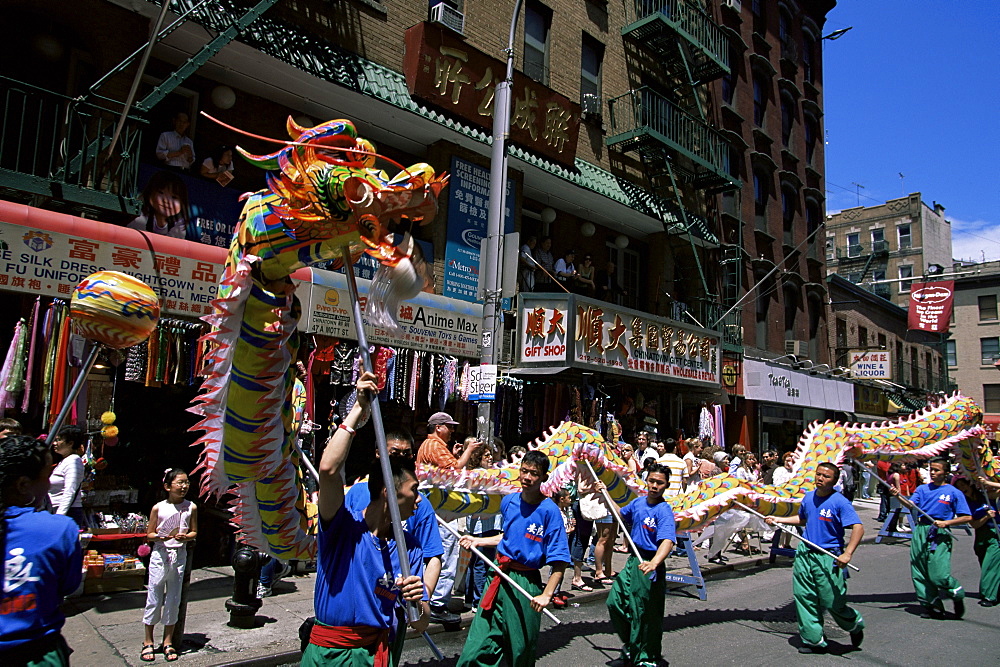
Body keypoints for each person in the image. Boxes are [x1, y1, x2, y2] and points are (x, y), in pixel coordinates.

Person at [304, 371, 429, 666]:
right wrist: (358, 409)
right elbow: (329, 470)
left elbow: (421, 623)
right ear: (388, 492)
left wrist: (418, 602)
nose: (420, 499)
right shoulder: (342, 527)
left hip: (373, 656)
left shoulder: (410, 548)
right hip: (327, 655)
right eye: (415, 490)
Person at [456, 450, 570, 667]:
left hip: (525, 582)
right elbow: (508, 536)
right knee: (478, 646)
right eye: (524, 471)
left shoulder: (549, 511)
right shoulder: (508, 502)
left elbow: (560, 560)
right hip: (497, 576)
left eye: (534, 473)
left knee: (520, 650)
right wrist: (478, 541)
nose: (527, 477)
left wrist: (547, 595)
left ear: (544, 477)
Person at [343, 430, 444, 662]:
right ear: (379, 454)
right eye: (393, 453)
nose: (400, 459)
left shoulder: (419, 505)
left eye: (406, 454)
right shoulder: (357, 494)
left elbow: (432, 556)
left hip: (391, 613)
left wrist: (420, 596)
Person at [766, 462, 864, 654]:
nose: (820, 478)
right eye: (818, 474)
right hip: (805, 552)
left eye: (826, 476)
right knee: (804, 596)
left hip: (829, 555)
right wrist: (778, 519)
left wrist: (848, 554)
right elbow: (802, 518)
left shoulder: (840, 502)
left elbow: (858, 528)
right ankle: (813, 639)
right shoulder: (809, 497)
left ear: (834, 481)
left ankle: (853, 624)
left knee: (831, 599)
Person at [0, 435, 82, 665]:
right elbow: (69, 585)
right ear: (24, 485)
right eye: (47, 476)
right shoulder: (59, 530)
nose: (48, 485)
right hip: (37, 654)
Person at [603, 464, 676, 667]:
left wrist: (654, 563)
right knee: (615, 601)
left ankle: (647, 656)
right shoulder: (638, 503)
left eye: (659, 483)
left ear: (666, 485)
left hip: (650, 562)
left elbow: (667, 540)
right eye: (651, 481)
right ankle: (631, 644)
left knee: (645, 613)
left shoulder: (664, 510)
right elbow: (620, 514)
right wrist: (605, 494)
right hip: (633, 561)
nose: (654, 486)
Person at [416, 412, 481, 623]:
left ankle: (432, 599)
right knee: (445, 553)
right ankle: (437, 602)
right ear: (438, 428)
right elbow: (454, 470)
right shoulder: (433, 446)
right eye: (449, 427)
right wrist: (469, 451)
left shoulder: (433, 447)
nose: (452, 431)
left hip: (436, 506)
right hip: (439, 508)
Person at [892, 457, 972, 619]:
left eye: (936, 470)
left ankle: (956, 592)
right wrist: (898, 496)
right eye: (931, 470)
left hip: (940, 532)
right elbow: (912, 506)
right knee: (919, 569)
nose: (933, 473)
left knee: (938, 573)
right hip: (922, 529)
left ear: (946, 472)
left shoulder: (953, 492)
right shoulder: (922, 489)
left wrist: (947, 522)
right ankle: (932, 605)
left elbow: (967, 517)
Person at [141, 468, 198, 662]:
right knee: (154, 596)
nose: (184, 486)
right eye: (180, 482)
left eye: (186, 482)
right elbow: (149, 534)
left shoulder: (191, 507)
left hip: (179, 555)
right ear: (167, 486)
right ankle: (148, 640)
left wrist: (186, 537)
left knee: (174, 598)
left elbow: (194, 532)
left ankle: (167, 640)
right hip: (160, 554)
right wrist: (159, 536)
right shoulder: (159, 508)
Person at [954, 475, 999, 607]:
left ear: (970, 485)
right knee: (986, 563)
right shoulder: (965, 503)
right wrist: (987, 516)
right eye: (959, 487)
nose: (962, 488)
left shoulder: (986, 495)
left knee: (990, 565)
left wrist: (987, 482)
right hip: (980, 535)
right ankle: (995, 590)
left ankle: (989, 596)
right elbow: (974, 525)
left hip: (995, 533)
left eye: (964, 485)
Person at [128, 170, 190, 238]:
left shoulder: (179, 221)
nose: (166, 201)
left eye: (174, 197)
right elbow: (138, 237)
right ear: (150, 193)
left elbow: (174, 243)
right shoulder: (140, 213)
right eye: (161, 193)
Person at [48, 425, 86, 527]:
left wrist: (59, 516)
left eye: (59, 440)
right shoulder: (64, 461)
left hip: (67, 512)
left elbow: (70, 490)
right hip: (56, 509)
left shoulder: (74, 461)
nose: (55, 443)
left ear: (70, 443)